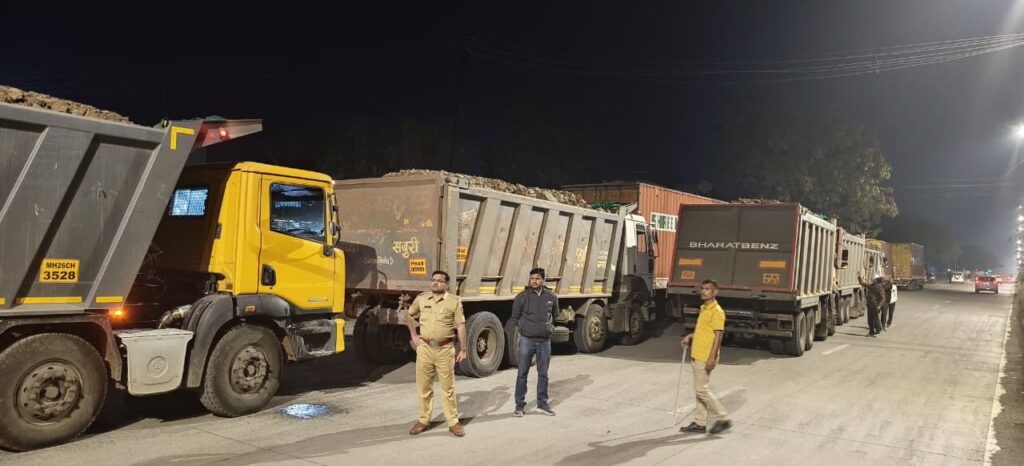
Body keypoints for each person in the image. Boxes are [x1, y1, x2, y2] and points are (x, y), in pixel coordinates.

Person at [405, 270, 469, 437]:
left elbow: (461, 326)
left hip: (445, 350)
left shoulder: (454, 301)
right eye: (433, 280)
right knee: (424, 387)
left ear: (446, 285)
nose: (435, 283)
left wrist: (463, 349)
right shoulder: (422, 298)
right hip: (424, 349)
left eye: (440, 281)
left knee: (448, 388)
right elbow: (409, 315)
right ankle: (423, 420)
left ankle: (453, 422)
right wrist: (413, 335)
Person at [680, 279, 732, 434]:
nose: (703, 291)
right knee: (698, 390)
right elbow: (705, 331)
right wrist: (690, 336)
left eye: (707, 289)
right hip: (697, 353)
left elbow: (718, 337)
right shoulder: (704, 308)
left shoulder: (717, 311)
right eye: (702, 288)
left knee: (701, 390)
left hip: (705, 356)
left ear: (715, 292)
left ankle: (723, 418)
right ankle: (700, 423)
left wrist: (711, 358)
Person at [509, 267, 558, 417]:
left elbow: (555, 315)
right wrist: (525, 329)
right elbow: (515, 318)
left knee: (543, 374)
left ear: (543, 280)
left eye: (537, 279)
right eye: (532, 279)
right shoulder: (522, 297)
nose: (534, 281)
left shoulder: (551, 296)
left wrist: (548, 328)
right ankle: (519, 406)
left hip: (544, 342)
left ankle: (542, 403)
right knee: (522, 374)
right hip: (527, 341)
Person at [857, 270, 885, 337]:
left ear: (877, 280)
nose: (873, 280)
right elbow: (863, 283)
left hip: (875, 305)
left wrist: (879, 306)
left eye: (874, 279)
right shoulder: (871, 285)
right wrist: (859, 276)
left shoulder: (880, 287)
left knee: (875, 319)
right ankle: (871, 332)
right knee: (870, 319)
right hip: (870, 304)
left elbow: (883, 298)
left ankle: (878, 331)